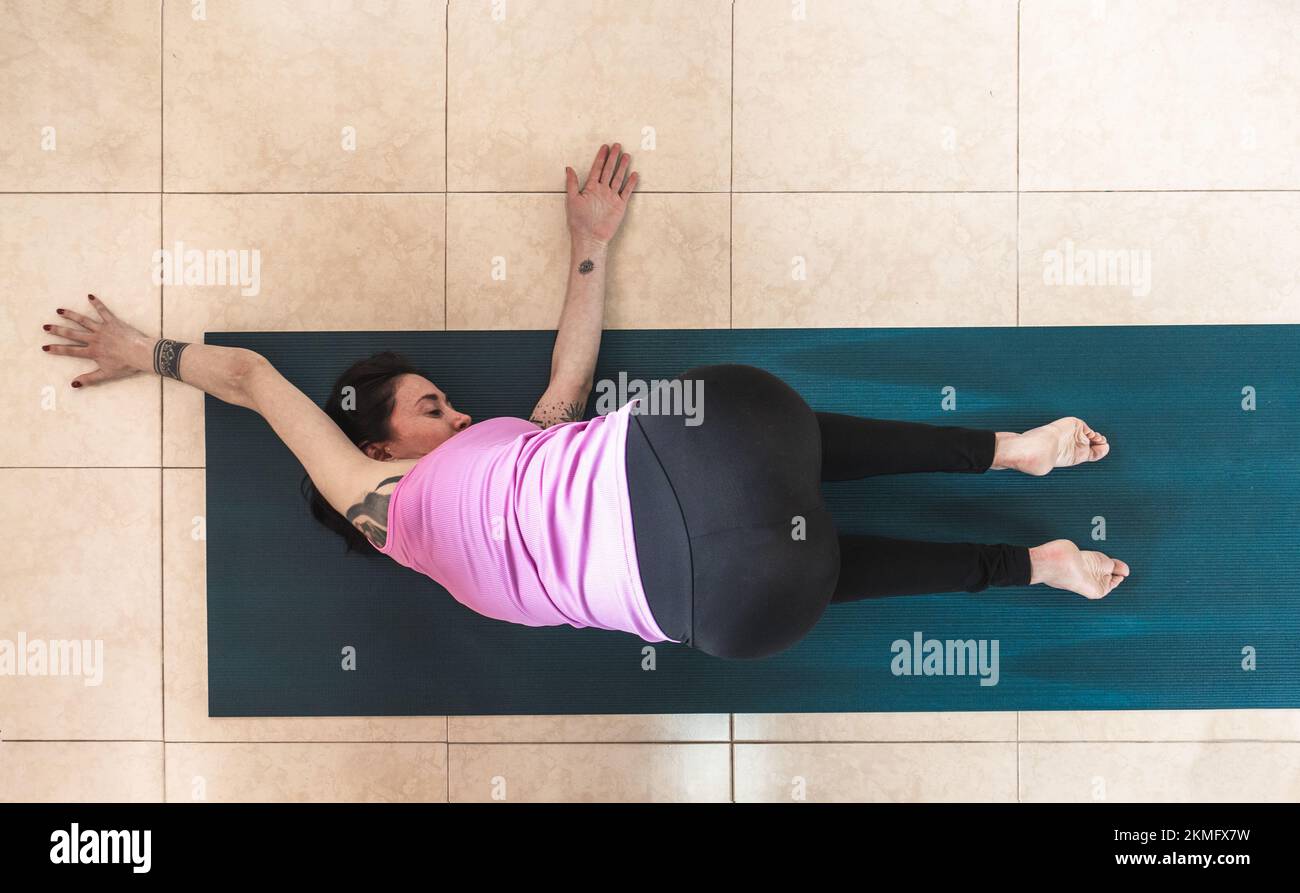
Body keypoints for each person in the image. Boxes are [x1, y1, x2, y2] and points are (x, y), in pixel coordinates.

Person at [39, 143, 1129, 661]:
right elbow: (259, 381)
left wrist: (588, 246)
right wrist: (149, 347)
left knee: (829, 563)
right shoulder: (363, 484)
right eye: (431, 405)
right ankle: (1010, 454)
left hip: (736, 603)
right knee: (785, 439)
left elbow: (567, 373)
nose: (456, 412)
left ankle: (1032, 557)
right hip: (718, 456)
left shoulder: (464, 504)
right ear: (374, 436)